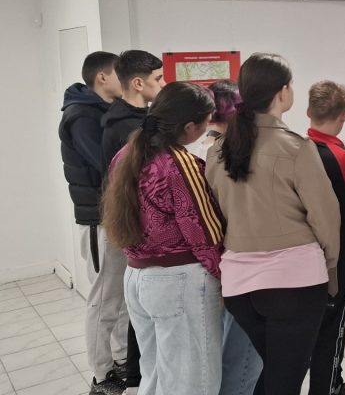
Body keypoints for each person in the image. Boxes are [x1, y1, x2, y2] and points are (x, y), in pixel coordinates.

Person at [205, 53, 340, 395]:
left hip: (240, 287)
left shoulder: (217, 151)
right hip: (294, 284)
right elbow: (326, 220)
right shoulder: (296, 148)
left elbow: (216, 217)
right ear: (282, 92)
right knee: (285, 379)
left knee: (277, 373)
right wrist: (329, 268)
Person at [101, 82, 224, 395]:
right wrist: (225, 278)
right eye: (206, 121)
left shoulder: (126, 155)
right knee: (194, 381)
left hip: (137, 275)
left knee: (155, 374)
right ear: (190, 127)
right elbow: (203, 232)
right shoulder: (180, 163)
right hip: (178, 280)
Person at [183, 79, 262, 395]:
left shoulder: (192, 149)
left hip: (209, 263)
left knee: (219, 350)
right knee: (243, 353)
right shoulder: (224, 152)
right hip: (235, 258)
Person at [58, 51, 127, 395]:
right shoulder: (81, 116)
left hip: (112, 218)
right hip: (100, 222)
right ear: (102, 77)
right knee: (104, 301)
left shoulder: (102, 111)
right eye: (119, 73)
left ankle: (121, 359)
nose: (125, 80)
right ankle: (102, 375)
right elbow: (108, 163)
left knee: (119, 297)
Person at [101, 49, 166, 393]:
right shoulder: (126, 128)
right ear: (138, 83)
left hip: (139, 229)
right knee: (138, 315)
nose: (164, 84)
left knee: (140, 314)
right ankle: (137, 379)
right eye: (158, 78)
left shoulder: (139, 119)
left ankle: (139, 377)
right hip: (138, 229)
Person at [306, 81, 345, 395]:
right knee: (333, 334)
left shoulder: (292, 151)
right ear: (343, 116)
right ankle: (329, 387)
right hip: (340, 258)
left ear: (308, 111)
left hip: (301, 256)